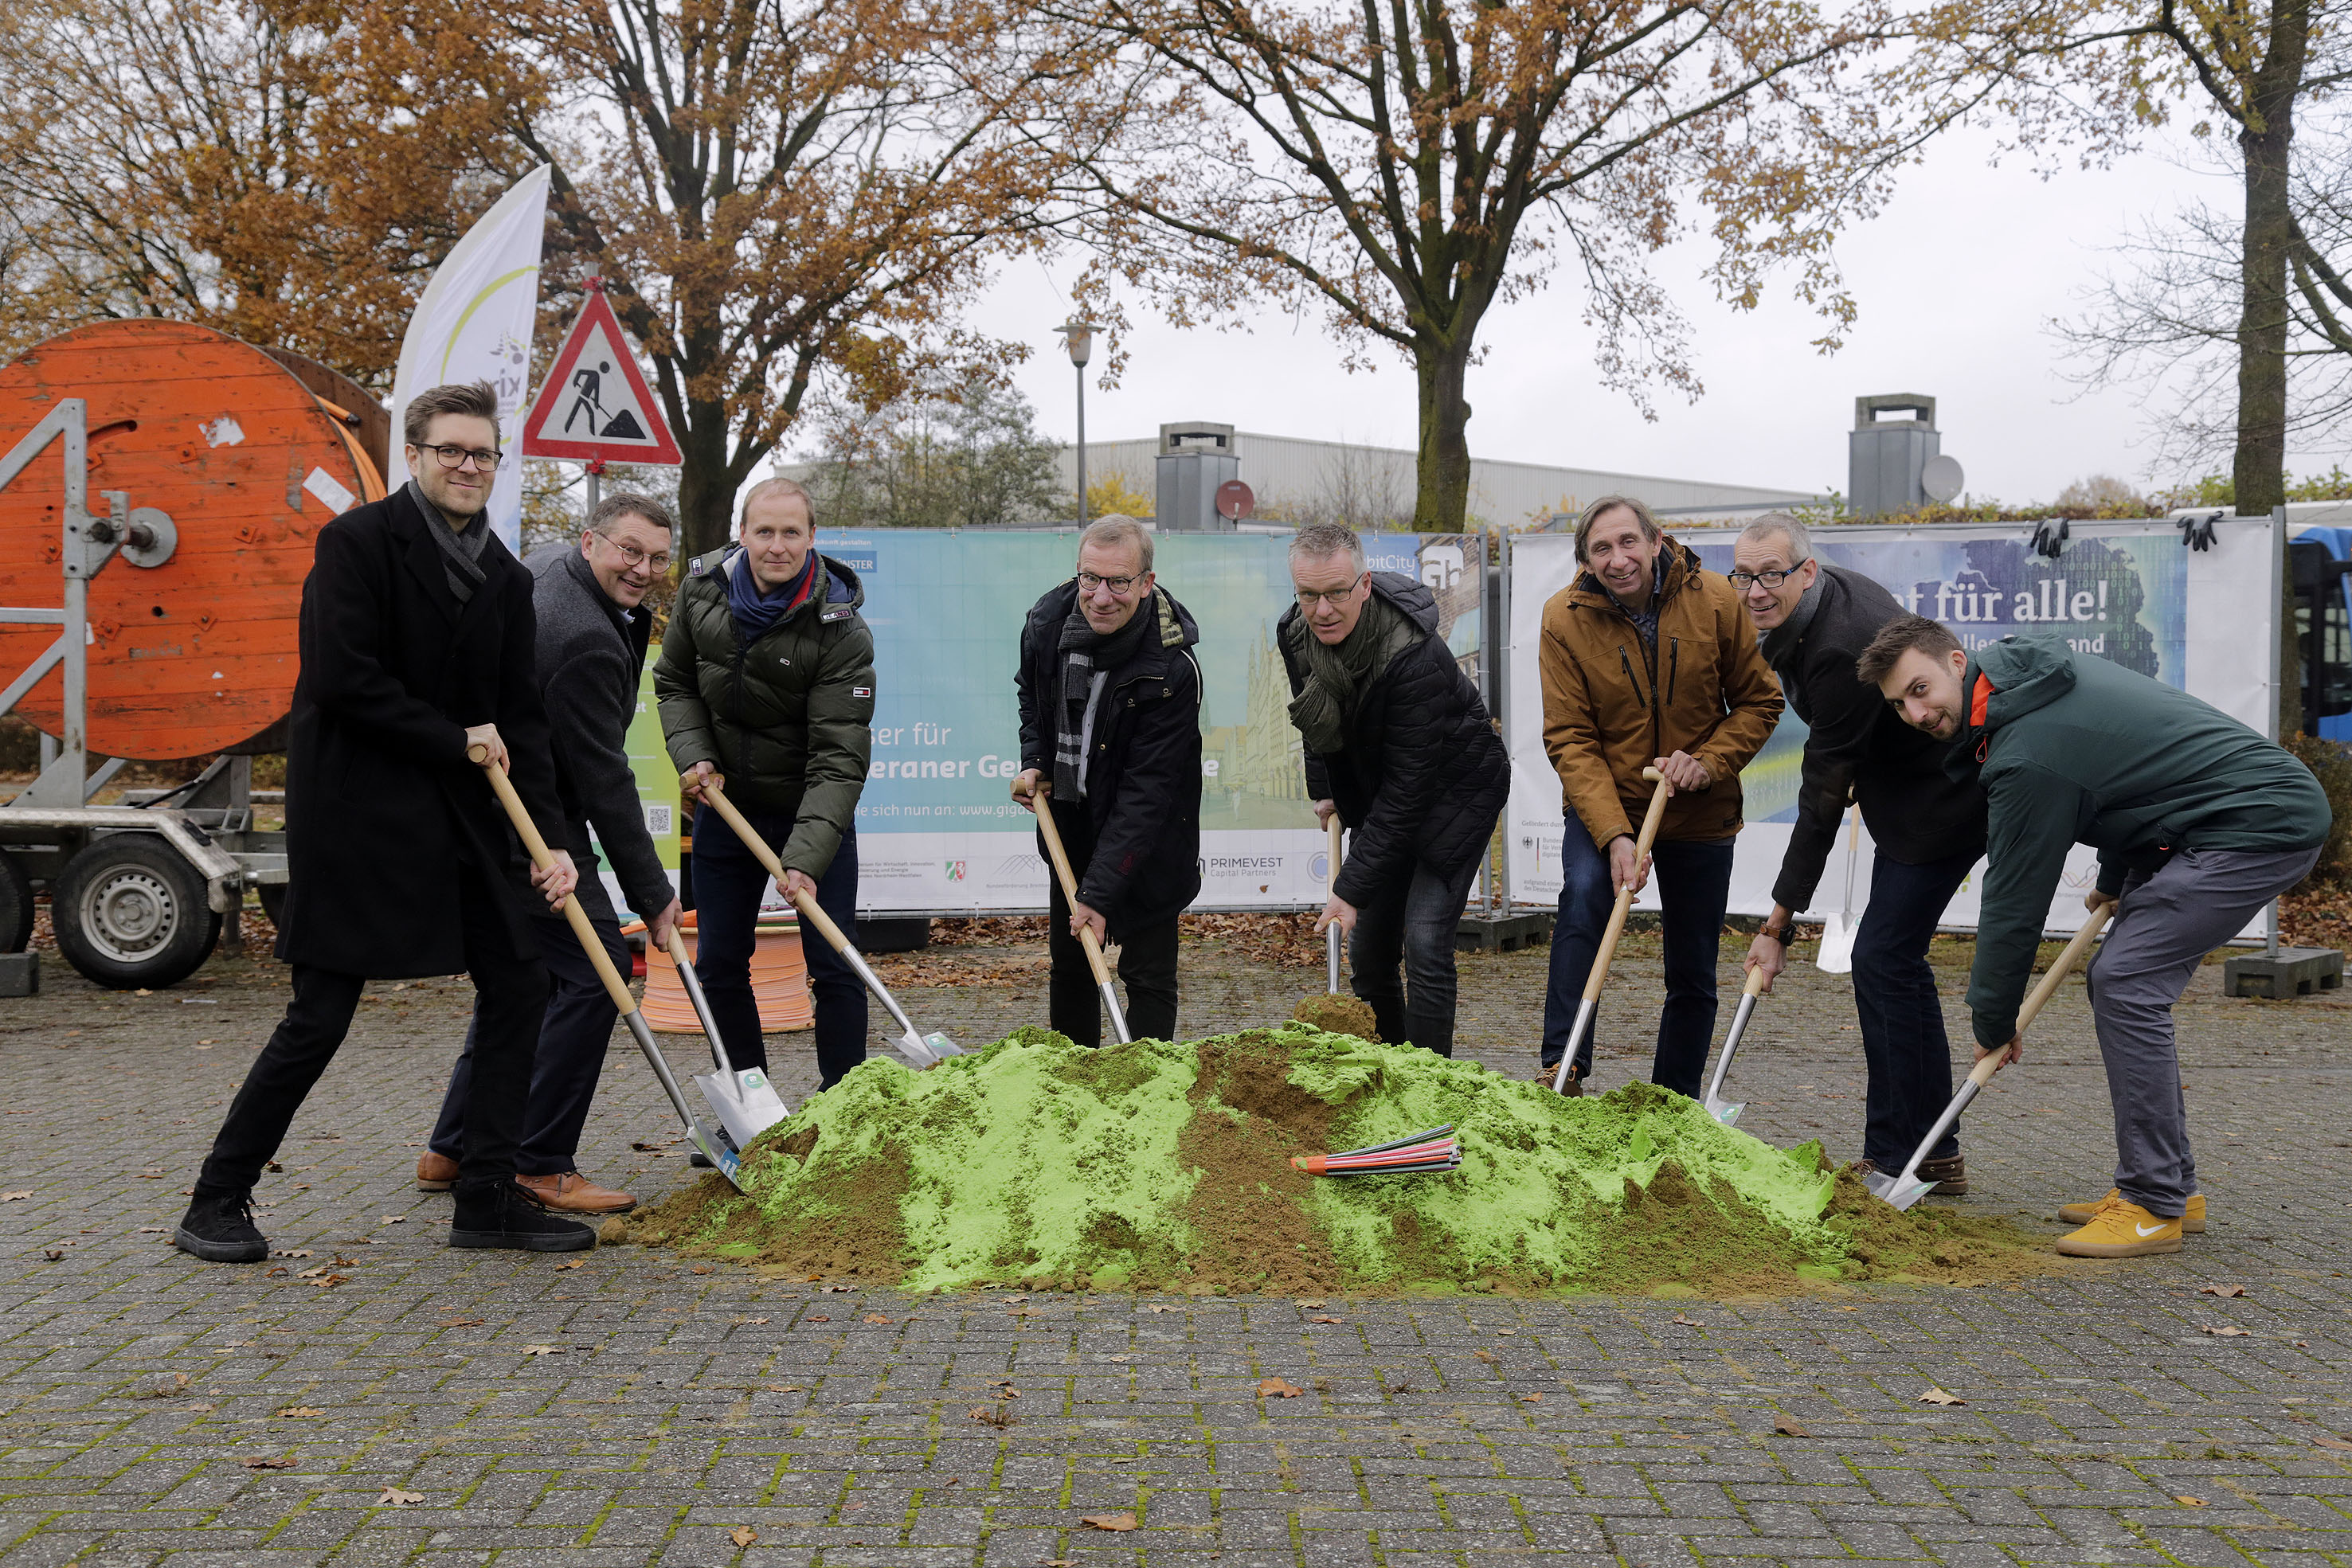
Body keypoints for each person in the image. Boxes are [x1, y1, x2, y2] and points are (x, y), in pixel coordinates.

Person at [174, 381, 591, 1263]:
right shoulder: (355, 543)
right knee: (320, 1013)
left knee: (520, 982)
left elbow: (520, 722)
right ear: (415, 455)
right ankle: (215, 1199)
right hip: (357, 817)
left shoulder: (507, 578)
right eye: (451, 450)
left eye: (482, 452)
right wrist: (452, 738)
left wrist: (549, 840)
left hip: (462, 822)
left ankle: (486, 1197)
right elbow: (341, 680)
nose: (468, 465)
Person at [1863, 616, 2331, 1256]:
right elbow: (2124, 766)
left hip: (2254, 827)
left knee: (2125, 980)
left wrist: (1993, 1017)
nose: (1914, 711)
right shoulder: (2021, 680)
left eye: (1918, 688)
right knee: (2121, 979)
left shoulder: (2025, 748)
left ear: (1953, 659)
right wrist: (2116, 873)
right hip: (2206, 818)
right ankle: (2172, 1187)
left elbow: (2014, 898)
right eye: (1897, 703)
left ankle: (2153, 1202)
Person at [417, 494, 686, 1214]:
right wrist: (654, 893)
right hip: (531, 827)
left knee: (519, 975)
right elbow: (604, 776)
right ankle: (537, 1159)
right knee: (595, 977)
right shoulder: (584, 639)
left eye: (658, 557)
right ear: (590, 539)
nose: (643, 569)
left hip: (498, 806)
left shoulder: (548, 570)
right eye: (629, 551)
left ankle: (454, 1145)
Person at [1732, 516, 1986, 1191]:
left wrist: (1776, 926)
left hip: (1939, 801)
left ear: (1807, 572)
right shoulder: (1817, 604)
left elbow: (1819, 796)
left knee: (1883, 958)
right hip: (1909, 793)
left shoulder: (1837, 649)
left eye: (1771, 575)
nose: (1755, 591)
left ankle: (1899, 1152)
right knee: (1891, 959)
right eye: (1744, 575)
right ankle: (1929, 1151)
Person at [1536, 495, 1782, 1094]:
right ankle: (1563, 1065)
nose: (1618, 559)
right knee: (1585, 896)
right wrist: (1613, 833)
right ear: (1585, 560)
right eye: (1601, 548)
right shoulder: (1562, 619)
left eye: (1627, 542)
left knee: (1692, 963)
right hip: (1611, 803)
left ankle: (1670, 1097)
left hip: (1698, 809)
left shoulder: (1717, 600)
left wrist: (1707, 762)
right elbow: (1569, 736)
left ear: (1655, 541)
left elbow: (1759, 700)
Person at [657, 477, 873, 1095]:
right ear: (743, 533)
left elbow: (838, 757)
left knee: (833, 962)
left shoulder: (840, 630)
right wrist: (694, 756)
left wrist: (804, 860)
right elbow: (674, 682)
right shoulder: (702, 595)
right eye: (764, 531)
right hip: (729, 807)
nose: (776, 546)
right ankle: (750, 1104)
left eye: (790, 532)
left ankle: (845, 1103)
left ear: (811, 538)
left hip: (812, 810)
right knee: (719, 964)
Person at [1278, 523, 1509, 1058]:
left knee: (1425, 940)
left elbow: (1409, 793)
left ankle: (1428, 1082)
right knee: (1370, 951)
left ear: (1364, 584)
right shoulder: (1294, 632)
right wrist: (1325, 788)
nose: (1323, 609)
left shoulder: (1414, 657)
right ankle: (1385, 1065)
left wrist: (1349, 889)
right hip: (1392, 790)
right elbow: (1314, 714)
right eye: (1308, 594)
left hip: (1456, 792)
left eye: (1337, 592)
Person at [1011, 516, 1203, 1044]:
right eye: (1089, 578)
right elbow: (1031, 696)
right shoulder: (1046, 626)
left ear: (1146, 582)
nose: (1100, 596)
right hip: (1070, 826)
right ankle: (1075, 1089)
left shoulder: (1172, 669)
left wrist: (1097, 894)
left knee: (1147, 975)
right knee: (1071, 968)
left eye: (1118, 581)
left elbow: (1147, 792)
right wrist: (1036, 758)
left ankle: (1147, 1088)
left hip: (1149, 842)